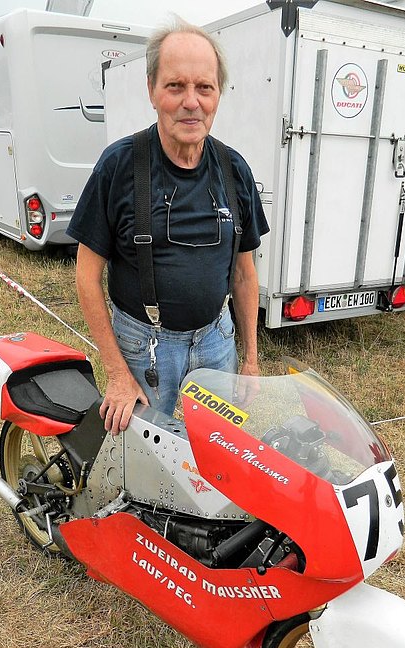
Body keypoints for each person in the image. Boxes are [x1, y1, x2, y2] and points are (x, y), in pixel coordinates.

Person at [67, 18, 269, 433]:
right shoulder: (119, 166)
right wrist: (117, 373)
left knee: (218, 450)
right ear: (152, 90)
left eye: (204, 87)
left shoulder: (234, 170)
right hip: (143, 346)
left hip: (216, 340)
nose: (191, 102)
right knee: (141, 459)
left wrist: (249, 360)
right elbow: (87, 277)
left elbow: (244, 275)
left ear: (218, 94)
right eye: (175, 86)